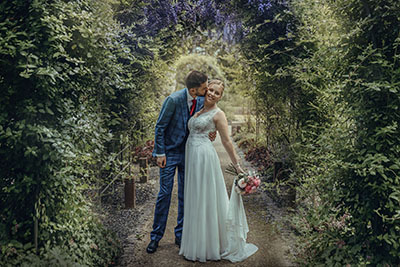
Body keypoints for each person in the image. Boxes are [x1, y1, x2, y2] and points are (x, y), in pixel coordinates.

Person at [179, 79, 258, 262]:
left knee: (205, 198)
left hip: (204, 158)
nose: (212, 94)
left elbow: (227, 141)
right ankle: (196, 242)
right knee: (195, 198)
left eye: (217, 93)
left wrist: (237, 166)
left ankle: (211, 245)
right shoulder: (199, 108)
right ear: (205, 90)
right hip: (192, 157)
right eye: (210, 90)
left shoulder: (218, 114)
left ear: (221, 96)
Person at [147, 71, 208, 254]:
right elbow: (160, 127)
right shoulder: (173, 100)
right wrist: (160, 153)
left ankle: (180, 235)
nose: (207, 90)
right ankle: (155, 237)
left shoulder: (201, 100)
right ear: (193, 89)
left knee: (185, 194)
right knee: (165, 194)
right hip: (169, 153)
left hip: (189, 153)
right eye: (204, 88)